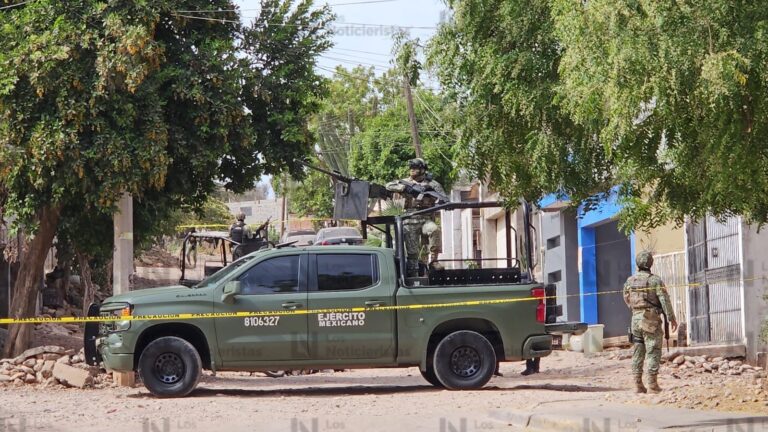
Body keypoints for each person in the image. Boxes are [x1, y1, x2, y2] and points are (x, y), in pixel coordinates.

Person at [623, 251, 678, 394]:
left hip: (635, 318)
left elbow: (626, 297)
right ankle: (652, 385)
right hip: (650, 318)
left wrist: (636, 309)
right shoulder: (655, 280)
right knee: (653, 350)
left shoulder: (630, 280)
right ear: (650, 263)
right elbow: (664, 300)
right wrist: (671, 317)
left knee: (638, 350)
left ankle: (637, 385)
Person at [385, 158, 446, 276]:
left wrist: (433, 194)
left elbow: (444, 198)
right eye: (411, 169)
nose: (412, 171)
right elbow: (388, 185)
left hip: (426, 218)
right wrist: (403, 188)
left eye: (416, 168)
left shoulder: (432, 184)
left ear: (423, 170)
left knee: (435, 230)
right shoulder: (405, 182)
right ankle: (414, 273)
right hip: (409, 220)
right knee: (412, 252)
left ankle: (433, 261)